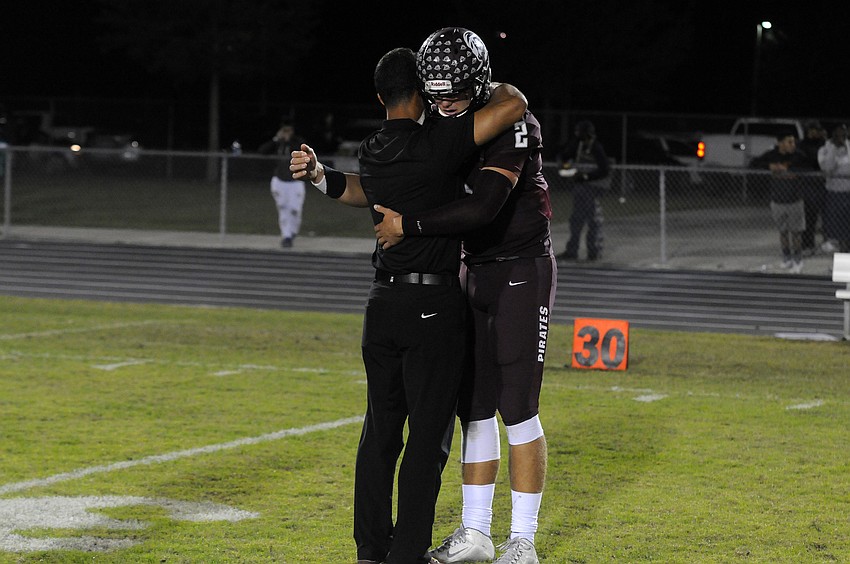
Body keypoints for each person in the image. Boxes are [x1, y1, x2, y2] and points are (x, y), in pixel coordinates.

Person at [291, 46, 527, 564]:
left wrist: (318, 174)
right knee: (427, 437)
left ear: (380, 97)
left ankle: (371, 550)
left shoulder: (373, 147)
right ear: (426, 92)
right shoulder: (439, 142)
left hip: (382, 302)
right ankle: (406, 553)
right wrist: (475, 86)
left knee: (379, 431)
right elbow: (512, 107)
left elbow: (361, 191)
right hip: (432, 303)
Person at [750, 131, 809, 273]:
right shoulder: (772, 155)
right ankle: (787, 258)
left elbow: (809, 167)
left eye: (793, 142)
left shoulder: (798, 156)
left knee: (796, 232)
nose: (792, 145)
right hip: (777, 200)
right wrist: (770, 167)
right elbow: (754, 163)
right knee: (782, 232)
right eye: (789, 142)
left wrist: (789, 169)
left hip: (794, 200)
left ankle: (797, 260)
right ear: (780, 143)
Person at [555, 120, 610, 261]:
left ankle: (594, 252)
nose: (577, 134)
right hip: (580, 188)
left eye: (579, 132)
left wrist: (586, 176)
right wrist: (564, 162)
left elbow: (604, 170)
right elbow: (566, 155)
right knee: (576, 220)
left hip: (592, 188)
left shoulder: (596, 147)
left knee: (593, 221)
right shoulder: (578, 145)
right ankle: (572, 251)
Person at [257, 119, 307, 248]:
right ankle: (286, 236)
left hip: (295, 181)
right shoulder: (277, 143)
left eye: (288, 130)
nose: (286, 133)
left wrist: (289, 139)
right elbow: (262, 151)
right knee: (283, 209)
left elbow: (303, 150)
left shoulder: (297, 141)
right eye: (284, 130)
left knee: (295, 210)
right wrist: (276, 139)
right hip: (279, 180)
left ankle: (293, 231)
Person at [817, 124, 850, 253]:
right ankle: (840, 268)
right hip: (834, 194)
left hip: (848, 193)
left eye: (844, 132)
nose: (842, 135)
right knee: (836, 235)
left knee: (847, 236)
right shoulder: (824, 150)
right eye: (838, 132)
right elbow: (827, 168)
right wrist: (834, 149)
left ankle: (846, 268)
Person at [798, 120, 827, 255]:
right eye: (811, 130)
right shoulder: (802, 145)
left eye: (816, 130)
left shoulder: (823, 144)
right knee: (809, 216)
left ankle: (827, 243)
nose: (814, 132)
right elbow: (803, 162)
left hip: (822, 184)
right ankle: (807, 245)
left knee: (826, 216)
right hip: (808, 183)